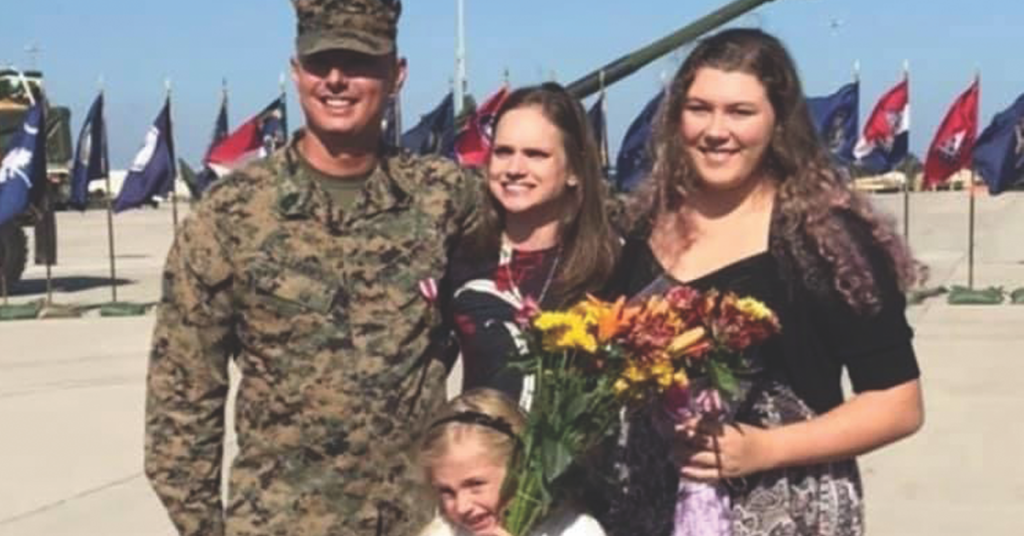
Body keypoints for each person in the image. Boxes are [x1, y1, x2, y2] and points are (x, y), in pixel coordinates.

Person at [143, 1, 479, 535]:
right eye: (321, 63)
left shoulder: (442, 197)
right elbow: (181, 403)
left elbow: (552, 220)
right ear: (297, 72)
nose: (337, 80)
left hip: (414, 523)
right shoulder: (231, 216)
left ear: (397, 75)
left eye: (360, 62)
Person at [601, 28, 925, 535]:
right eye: (698, 108)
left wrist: (764, 448)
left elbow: (898, 404)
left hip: (784, 507)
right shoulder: (644, 226)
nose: (715, 129)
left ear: (778, 122)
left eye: (740, 112)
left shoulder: (826, 240)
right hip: (650, 506)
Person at [441, 83, 620, 404]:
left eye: (536, 155)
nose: (514, 169)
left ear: (574, 171)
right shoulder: (461, 256)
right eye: (503, 152)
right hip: (485, 448)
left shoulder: (613, 262)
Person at [417, 388, 608, 536]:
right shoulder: (447, 531)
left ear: (520, 467)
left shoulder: (575, 530)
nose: (461, 506)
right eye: (447, 491)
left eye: (476, 484)